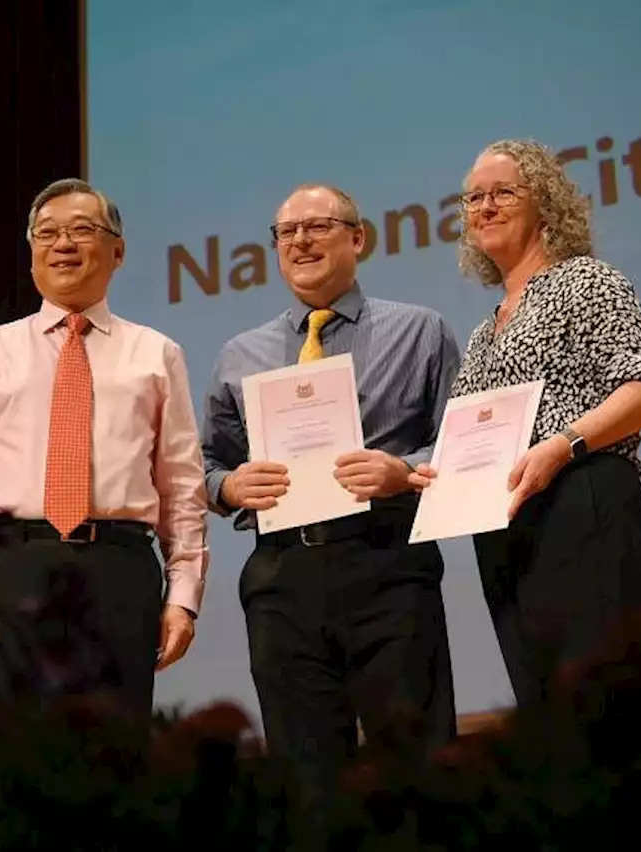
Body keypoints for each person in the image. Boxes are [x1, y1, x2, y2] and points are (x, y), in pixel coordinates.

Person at [201, 183, 460, 815]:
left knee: (418, 771)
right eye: (286, 233)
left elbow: (463, 440)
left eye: (317, 226)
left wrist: (405, 470)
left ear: (358, 238)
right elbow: (207, 465)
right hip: (282, 580)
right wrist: (230, 486)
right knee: (307, 785)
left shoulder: (419, 330)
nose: (300, 242)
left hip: (388, 567)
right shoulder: (241, 353)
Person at [0, 178, 209, 718]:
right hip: (16, 569)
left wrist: (183, 596)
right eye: (47, 233)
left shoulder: (156, 353)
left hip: (120, 569)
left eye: (82, 230)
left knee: (117, 755)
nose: (63, 244)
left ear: (118, 251)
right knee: (20, 757)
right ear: (31, 250)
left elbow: (182, 488)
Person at [427, 139, 641, 708]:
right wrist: (416, 475)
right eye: (473, 198)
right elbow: (466, 447)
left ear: (544, 201)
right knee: (549, 726)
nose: (484, 207)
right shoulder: (483, 332)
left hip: (582, 504)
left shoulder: (586, 281)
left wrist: (561, 447)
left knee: (605, 707)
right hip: (509, 532)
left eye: (502, 193)